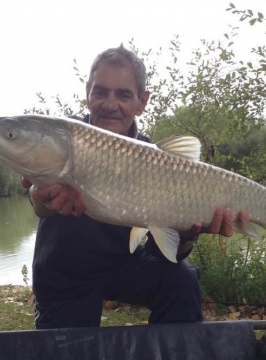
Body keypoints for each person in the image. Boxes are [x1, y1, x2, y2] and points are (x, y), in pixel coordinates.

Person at [22, 45, 248, 329]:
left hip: (122, 264)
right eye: (101, 91)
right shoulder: (63, 138)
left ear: (142, 101)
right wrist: (40, 196)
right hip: (64, 270)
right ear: (88, 92)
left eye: (124, 94)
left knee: (182, 280)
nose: (110, 104)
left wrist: (187, 234)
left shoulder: (155, 157)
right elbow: (38, 200)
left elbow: (160, 252)